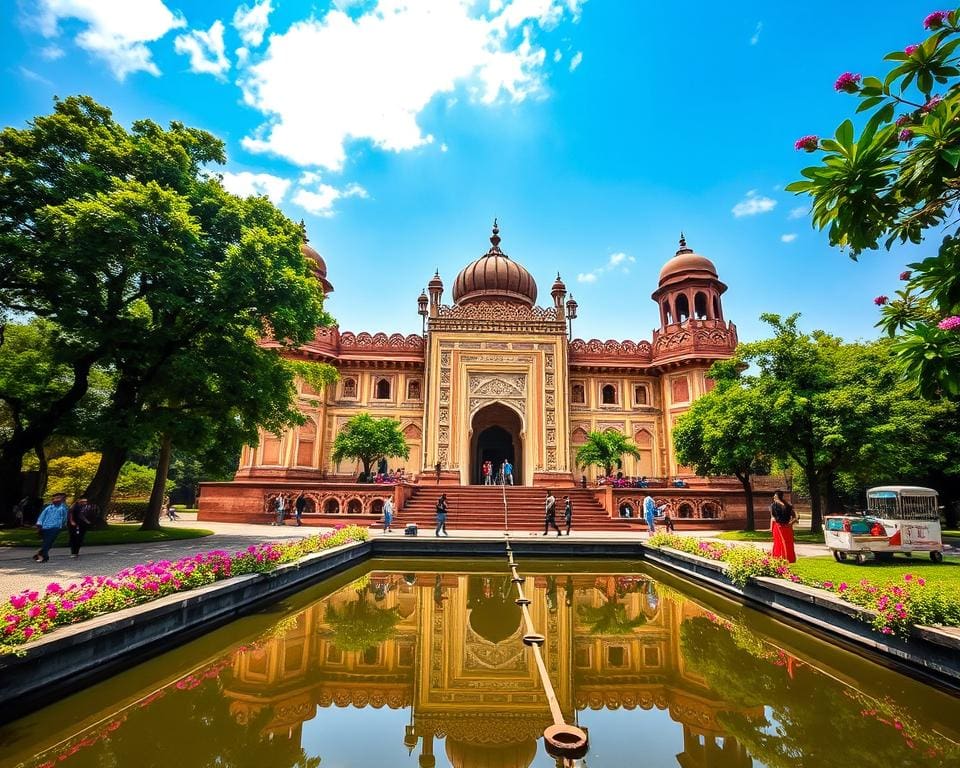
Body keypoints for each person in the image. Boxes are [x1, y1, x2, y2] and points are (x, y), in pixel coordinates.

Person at [34, 493, 68, 563]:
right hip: (45, 526)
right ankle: (42, 555)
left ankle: (42, 556)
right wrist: (39, 525)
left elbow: (65, 517)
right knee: (47, 542)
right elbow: (42, 516)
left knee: (48, 541)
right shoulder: (48, 508)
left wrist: (62, 524)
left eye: (59, 498)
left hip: (55, 527)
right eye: (55, 498)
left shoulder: (63, 508)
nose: (57, 499)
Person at [770, 490, 797, 563]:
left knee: (780, 542)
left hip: (779, 526)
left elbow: (773, 518)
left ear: (777, 496)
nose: (774, 496)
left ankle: (780, 557)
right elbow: (795, 517)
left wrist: (771, 528)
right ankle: (787, 558)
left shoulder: (774, 505)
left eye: (775, 495)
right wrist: (790, 524)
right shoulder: (788, 505)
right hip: (786, 527)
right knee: (786, 543)